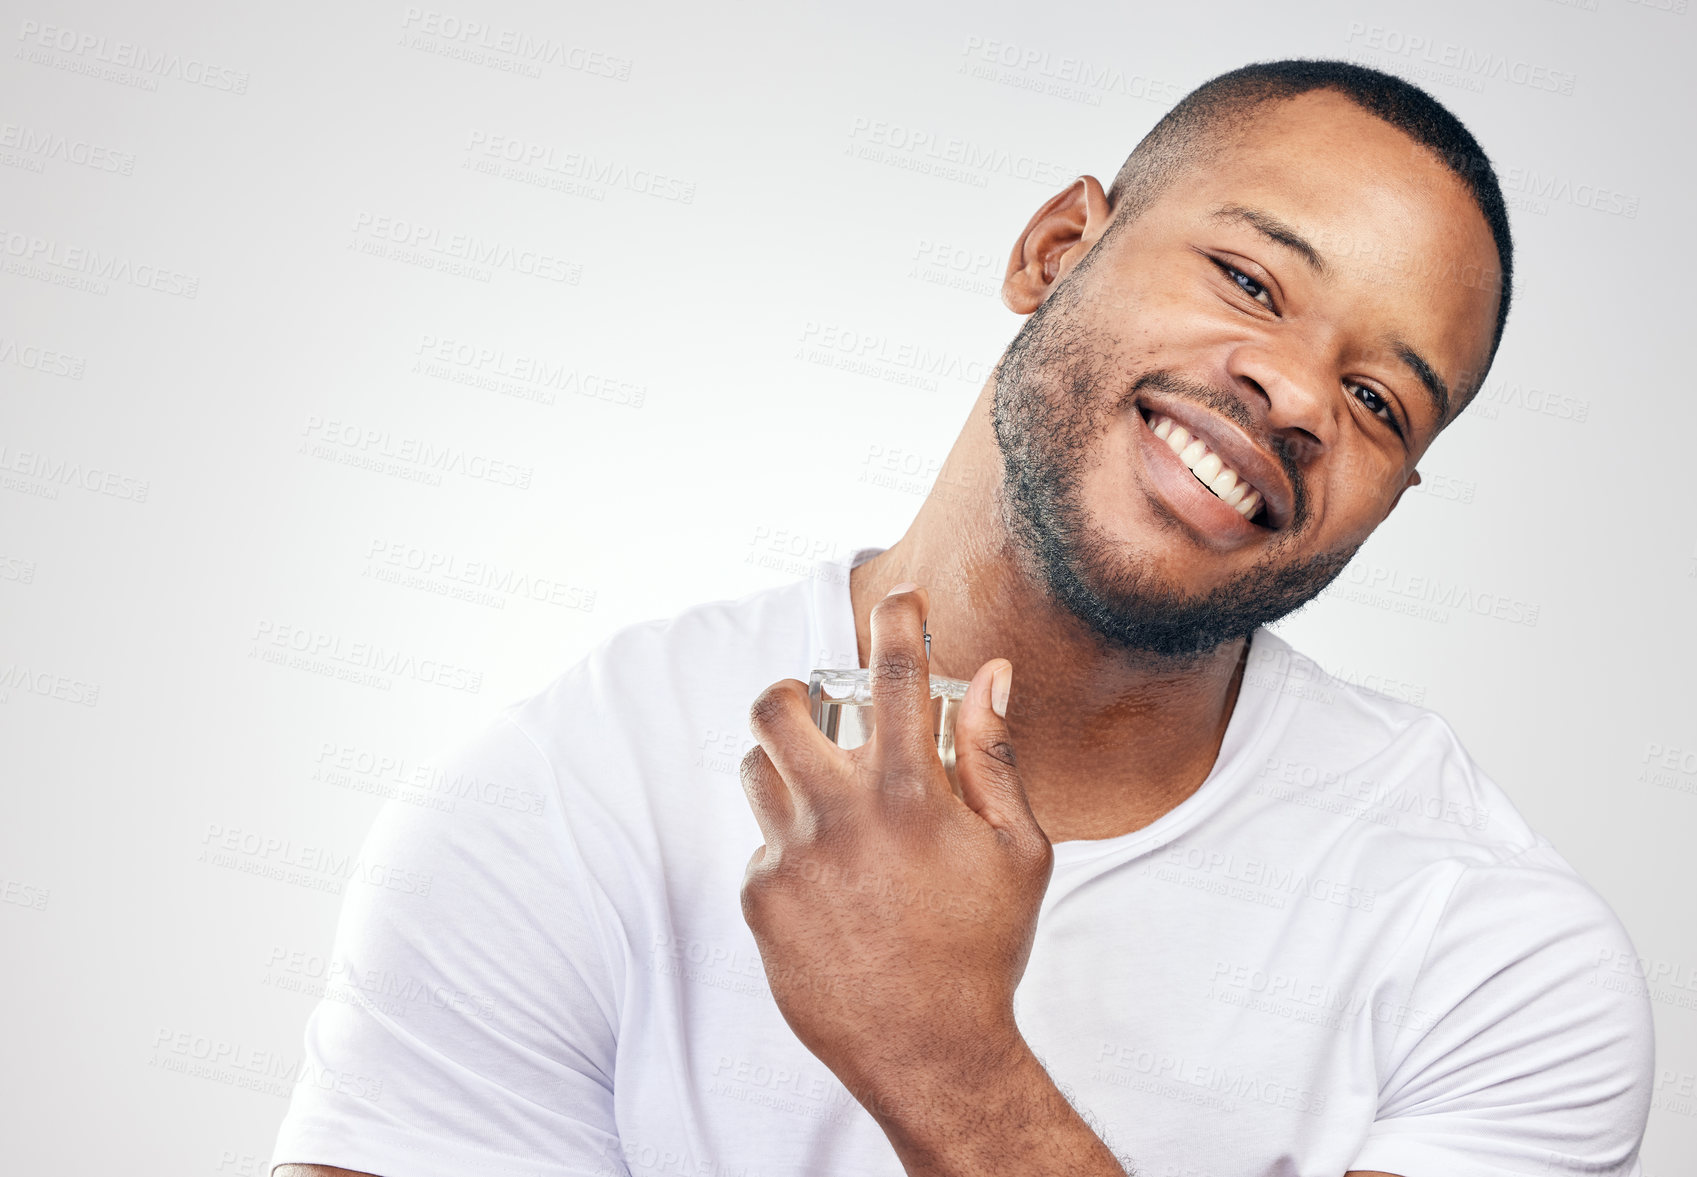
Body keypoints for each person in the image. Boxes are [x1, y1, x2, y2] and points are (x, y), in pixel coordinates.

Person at [271, 59, 1653, 1177]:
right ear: (1056, 249)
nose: (1294, 394)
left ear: (1386, 500)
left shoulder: (1496, 960)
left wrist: (942, 1053)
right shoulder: (570, 797)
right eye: (1248, 279)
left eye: (1376, 402)